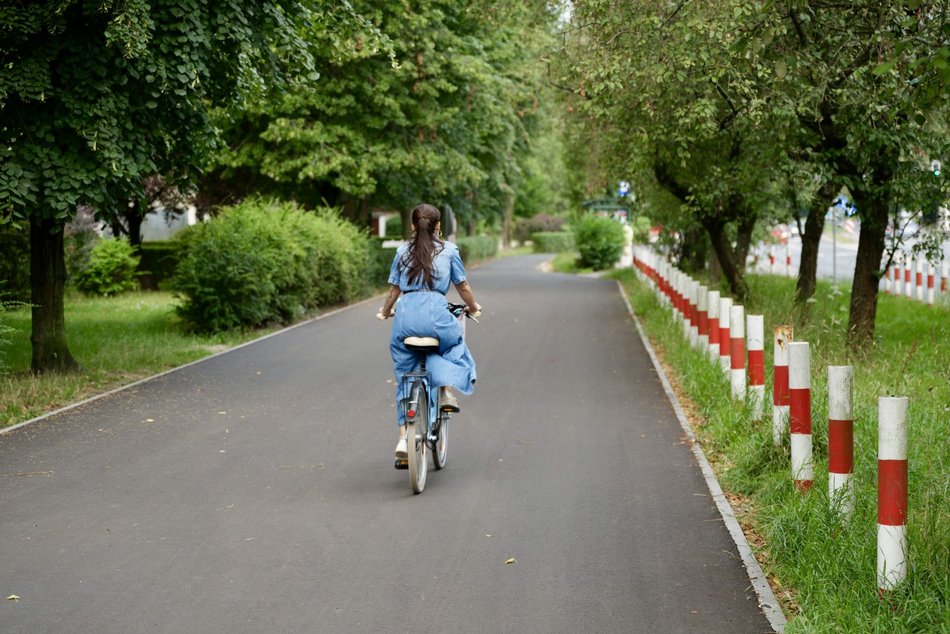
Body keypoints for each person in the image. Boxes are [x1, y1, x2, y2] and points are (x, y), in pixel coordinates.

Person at [378, 203, 480, 461]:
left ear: (412, 226)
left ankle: (404, 437)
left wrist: (385, 311)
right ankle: (446, 388)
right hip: (437, 313)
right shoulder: (449, 251)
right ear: (438, 227)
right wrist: (473, 307)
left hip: (405, 318)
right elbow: (463, 285)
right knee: (454, 342)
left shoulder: (402, 251)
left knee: (405, 375)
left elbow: (393, 291)